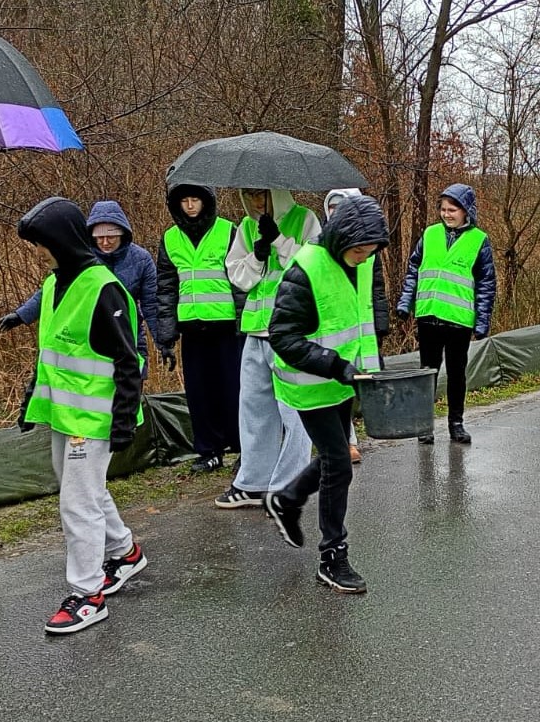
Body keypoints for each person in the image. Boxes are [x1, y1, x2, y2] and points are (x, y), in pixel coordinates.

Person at [16, 196, 148, 635]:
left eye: (42, 243)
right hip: (66, 415)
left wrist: (124, 420)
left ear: (62, 241)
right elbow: (51, 352)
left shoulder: (102, 288)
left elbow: (129, 361)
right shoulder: (56, 285)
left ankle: (87, 594)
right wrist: (31, 396)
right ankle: (125, 553)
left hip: (95, 420)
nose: (39, 252)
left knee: (78, 502)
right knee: (85, 493)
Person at [263, 193, 388, 593]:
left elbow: (358, 319)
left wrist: (364, 368)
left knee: (335, 459)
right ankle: (332, 557)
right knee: (340, 463)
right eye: (360, 250)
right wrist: (335, 365)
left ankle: (286, 499)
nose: (365, 257)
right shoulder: (306, 268)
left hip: (341, 381)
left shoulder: (359, 264)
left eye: (371, 251)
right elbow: (282, 337)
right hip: (309, 383)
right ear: (341, 239)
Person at [216, 188, 319, 507]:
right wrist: (257, 254)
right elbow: (239, 278)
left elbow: (314, 268)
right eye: (250, 195)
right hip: (256, 329)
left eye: (262, 195)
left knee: (294, 410)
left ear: (276, 192)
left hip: (292, 330)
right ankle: (255, 482)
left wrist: (278, 242)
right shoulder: (246, 227)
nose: (257, 202)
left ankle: (289, 486)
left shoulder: (305, 220)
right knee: (254, 410)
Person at [0, 200, 166, 377]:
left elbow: (152, 304)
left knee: (130, 388)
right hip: (88, 339)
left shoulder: (141, 259)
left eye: (111, 237)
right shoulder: (81, 259)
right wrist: (20, 315)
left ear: (123, 234)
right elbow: (51, 290)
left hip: (129, 337)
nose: (105, 242)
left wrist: (163, 343)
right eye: (99, 238)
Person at [395, 183, 496, 444]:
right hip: (428, 315)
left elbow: (486, 284)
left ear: (466, 212)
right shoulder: (429, 234)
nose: (447, 214)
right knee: (427, 373)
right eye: (443, 209)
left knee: (456, 374)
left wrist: (482, 321)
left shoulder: (478, 241)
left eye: (453, 210)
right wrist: (405, 303)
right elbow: (413, 269)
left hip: (458, 320)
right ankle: (424, 425)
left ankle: (456, 423)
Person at [156, 184, 241, 473]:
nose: (190, 206)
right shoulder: (170, 238)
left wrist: (244, 322)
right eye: (185, 201)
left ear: (207, 202)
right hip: (191, 326)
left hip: (226, 325)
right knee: (199, 394)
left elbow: (240, 280)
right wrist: (166, 335)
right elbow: (166, 288)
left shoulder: (228, 231)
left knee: (235, 390)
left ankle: (244, 448)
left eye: (195, 200)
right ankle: (209, 451)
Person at [324, 188, 390, 464]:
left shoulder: (369, 249)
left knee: (354, 386)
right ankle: (346, 441)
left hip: (362, 329)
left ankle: (352, 437)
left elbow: (376, 287)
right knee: (337, 385)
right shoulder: (323, 248)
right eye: (332, 209)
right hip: (335, 329)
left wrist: (381, 321)